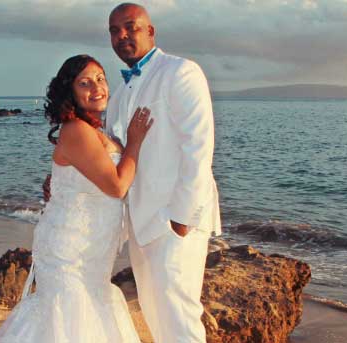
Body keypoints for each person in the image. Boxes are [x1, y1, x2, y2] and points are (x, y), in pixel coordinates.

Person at [0, 55, 152, 342]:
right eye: (84, 82)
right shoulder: (76, 129)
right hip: (71, 248)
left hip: (93, 247)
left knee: (85, 315)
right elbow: (116, 186)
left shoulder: (96, 131)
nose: (96, 87)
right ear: (71, 92)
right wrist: (135, 142)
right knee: (69, 318)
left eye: (100, 78)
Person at [105, 3, 221, 342]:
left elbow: (198, 146)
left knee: (179, 316)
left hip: (175, 219)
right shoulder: (119, 93)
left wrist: (182, 217)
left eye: (130, 26)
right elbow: (112, 153)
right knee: (155, 313)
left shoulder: (181, 72)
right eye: (114, 30)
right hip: (140, 222)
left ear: (151, 31)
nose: (122, 34)